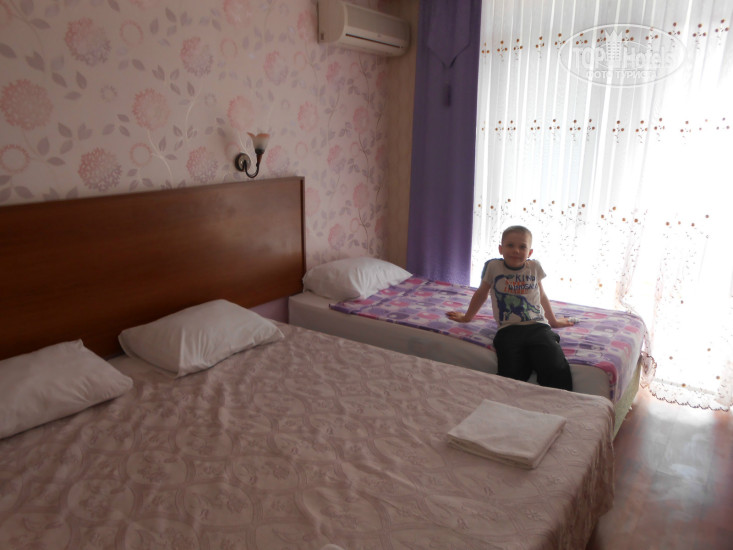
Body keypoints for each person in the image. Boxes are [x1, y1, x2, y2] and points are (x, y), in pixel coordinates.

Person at [447, 225, 574, 390]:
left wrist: (554, 321)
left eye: (522, 247)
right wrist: (467, 317)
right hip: (508, 329)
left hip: (538, 326)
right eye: (510, 245)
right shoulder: (493, 267)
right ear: (501, 249)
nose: (516, 250)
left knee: (556, 368)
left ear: (530, 252)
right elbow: (481, 293)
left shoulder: (534, 267)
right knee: (510, 374)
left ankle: (559, 401)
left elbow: (541, 295)